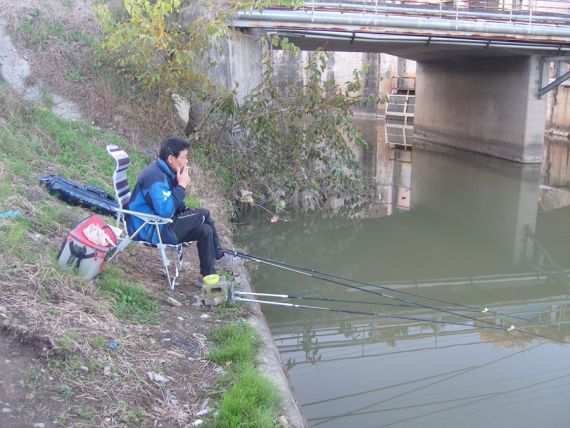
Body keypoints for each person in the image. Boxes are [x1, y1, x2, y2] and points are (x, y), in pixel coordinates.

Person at [127, 137, 232, 281]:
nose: (186, 161)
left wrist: (178, 184)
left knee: (205, 230)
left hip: (160, 223)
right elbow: (166, 211)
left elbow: (171, 203)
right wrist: (181, 185)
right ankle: (219, 256)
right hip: (150, 229)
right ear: (171, 158)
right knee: (204, 214)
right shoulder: (155, 178)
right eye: (184, 157)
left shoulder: (164, 172)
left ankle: (209, 276)